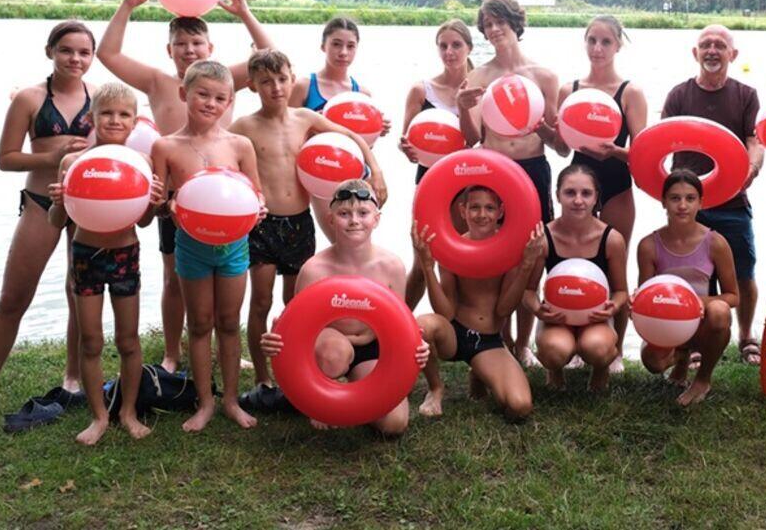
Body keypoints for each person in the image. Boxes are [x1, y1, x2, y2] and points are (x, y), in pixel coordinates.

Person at [97, 0, 274, 373]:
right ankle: (172, 352)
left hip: (225, 202)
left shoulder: (224, 78)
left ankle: (226, 347)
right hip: (175, 197)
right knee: (173, 276)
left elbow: (269, 56)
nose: (189, 50)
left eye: (197, 43)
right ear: (170, 50)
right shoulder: (158, 82)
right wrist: (127, 5)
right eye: (181, 44)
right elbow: (107, 54)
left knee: (226, 274)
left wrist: (245, 13)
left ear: (210, 48)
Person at [228, 50, 386, 408]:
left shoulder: (305, 118)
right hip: (263, 225)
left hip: (299, 222)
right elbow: (220, 153)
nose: (276, 87)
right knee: (261, 302)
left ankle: (300, 372)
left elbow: (353, 136)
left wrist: (374, 170)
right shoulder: (243, 126)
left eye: (281, 79)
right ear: (252, 85)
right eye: (266, 82)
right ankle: (263, 378)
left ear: (291, 78)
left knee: (298, 304)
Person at [0, 22, 96, 416]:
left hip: (87, 205)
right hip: (40, 201)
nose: (75, 59)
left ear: (93, 56)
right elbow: (5, 158)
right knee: (13, 297)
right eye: (66, 50)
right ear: (49, 51)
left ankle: (73, 378)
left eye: (84, 52)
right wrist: (51, 158)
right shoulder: (29, 98)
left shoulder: (100, 97)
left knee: (79, 293)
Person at [259, 180, 428, 437]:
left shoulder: (391, 266)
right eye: (344, 214)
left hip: (372, 346)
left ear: (376, 219)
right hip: (328, 347)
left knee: (394, 425)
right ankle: (318, 394)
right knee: (334, 353)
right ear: (330, 219)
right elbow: (298, 331)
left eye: (363, 213)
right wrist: (276, 343)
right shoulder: (314, 270)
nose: (354, 221)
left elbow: (398, 325)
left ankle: (352, 397)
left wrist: (416, 346)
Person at [151, 60, 266, 432]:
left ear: (230, 101)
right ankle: (205, 403)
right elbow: (158, 205)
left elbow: (256, 194)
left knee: (229, 322)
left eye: (219, 98)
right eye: (202, 94)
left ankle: (231, 400)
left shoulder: (240, 145)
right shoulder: (165, 146)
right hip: (191, 245)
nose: (210, 103)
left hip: (234, 246)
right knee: (200, 323)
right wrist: (166, 205)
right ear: (183, 94)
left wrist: (259, 210)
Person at [47, 84, 164, 443]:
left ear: (134, 121)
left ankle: (127, 412)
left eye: (123, 114)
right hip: (85, 255)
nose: (115, 120)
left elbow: (143, 222)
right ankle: (98, 416)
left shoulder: (141, 163)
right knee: (91, 340)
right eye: (107, 113)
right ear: (92, 118)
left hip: (125, 255)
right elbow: (56, 221)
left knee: (128, 340)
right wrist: (59, 201)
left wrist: (154, 203)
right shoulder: (73, 163)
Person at [455, 0, 565, 367]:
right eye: (487, 24)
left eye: (499, 21)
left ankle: (523, 344)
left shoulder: (544, 76)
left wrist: (541, 127)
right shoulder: (478, 77)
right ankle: (497, 340)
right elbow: (472, 139)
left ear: (515, 23)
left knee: (532, 256)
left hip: (533, 169)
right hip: (494, 173)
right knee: (498, 257)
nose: (493, 29)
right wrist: (462, 107)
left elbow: (560, 146)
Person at [661, 24, 764, 365]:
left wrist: (752, 168)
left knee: (744, 272)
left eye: (720, 45)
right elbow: (659, 141)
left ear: (733, 54)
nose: (712, 51)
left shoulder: (746, 95)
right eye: (705, 44)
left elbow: (755, 141)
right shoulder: (679, 94)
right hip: (687, 202)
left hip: (732, 200)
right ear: (695, 53)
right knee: (689, 274)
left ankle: (746, 336)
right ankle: (691, 340)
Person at [555, 15, 647, 372]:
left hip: (617, 183)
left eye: (605, 41)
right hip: (578, 184)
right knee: (573, 265)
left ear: (618, 45)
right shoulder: (570, 90)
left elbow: (642, 155)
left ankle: (616, 349)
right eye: (592, 40)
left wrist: (615, 151)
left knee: (615, 268)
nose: (597, 48)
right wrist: (547, 129)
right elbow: (562, 148)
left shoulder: (630, 92)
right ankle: (577, 344)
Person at [411, 187, 545, 421]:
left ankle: (480, 372)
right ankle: (435, 389)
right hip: (454, 334)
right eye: (474, 207)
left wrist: (526, 267)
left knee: (519, 407)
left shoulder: (510, 249)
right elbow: (446, 312)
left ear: (500, 211)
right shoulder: (452, 246)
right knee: (421, 326)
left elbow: (504, 309)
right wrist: (427, 266)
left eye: (489, 208)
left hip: (487, 340)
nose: (482, 214)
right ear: (462, 211)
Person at [636, 170, 739, 407]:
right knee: (653, 362)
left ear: (700, 202)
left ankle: (702, 379)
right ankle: (681, 359)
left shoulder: (716, 243)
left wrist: (696, 302)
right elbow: (645, 293)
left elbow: (734, 296)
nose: (682, 205)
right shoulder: (649, 245)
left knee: (720, 311)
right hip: (668, 326)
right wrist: (637, 302)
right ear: (663, 202)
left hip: (702, 324)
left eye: (690, 198)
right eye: (675, 198)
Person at [522, 164, 629, 391]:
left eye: (586, 193)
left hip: (595, 317)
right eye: (570, 192)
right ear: (558, 195)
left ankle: (600, 370)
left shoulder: (612, 239)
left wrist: (612, 307)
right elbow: (528, 291)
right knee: (553, 351)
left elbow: (621, 292)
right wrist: (539, 310)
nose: (578, 200)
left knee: (598, 348)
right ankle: (555, 370)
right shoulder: (544, 237)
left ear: (596, 197)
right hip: (557, 316)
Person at [289, 17, 390, 239]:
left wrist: (376, 132)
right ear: (323, 46)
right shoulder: (304, 86)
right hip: (320, 172)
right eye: (336, 44)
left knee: (359, 241)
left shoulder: (362, 94)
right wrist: (314, 126)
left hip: (358, 174)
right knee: (338, 240)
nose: (343, 52)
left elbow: (363, 147)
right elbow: (285, 134)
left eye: (350, 46)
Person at [399, 20, 474, 307]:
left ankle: (456, 327)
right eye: (443, 46)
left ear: (469, 48)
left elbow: (482, 140)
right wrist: (407, 150)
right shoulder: (421, 90)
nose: (449, 52)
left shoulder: (479, 89)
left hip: (468, 185)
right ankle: (399, 321)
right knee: (422, 262)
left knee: (460, 261)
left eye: (456, 45)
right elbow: (405, 139)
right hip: (429, 181)